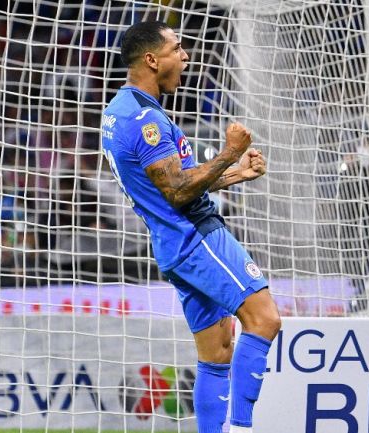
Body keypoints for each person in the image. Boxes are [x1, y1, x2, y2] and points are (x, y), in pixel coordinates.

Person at [101, 21, 281, 433]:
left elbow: (170, 183)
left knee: (217, 354)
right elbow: (179, 191)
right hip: (196, 236)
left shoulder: (122, 111)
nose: (185, 57)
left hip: (173, 243)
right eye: (177, 49)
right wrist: (230, 151)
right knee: (265, 319)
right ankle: (241, 428)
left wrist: (234, 173)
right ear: (151, 59)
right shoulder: (142, 120)